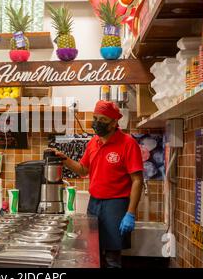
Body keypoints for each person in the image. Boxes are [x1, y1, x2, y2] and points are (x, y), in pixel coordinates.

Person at [55, 100, 144, 268]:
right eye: (95, 118)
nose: (97, 123)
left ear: (114, 122)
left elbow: (137, 180)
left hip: (116, 205)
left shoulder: (128, 143)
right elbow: (82, 170)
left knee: (112, 258)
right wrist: (64, 159)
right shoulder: (93, 143)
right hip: (94, 203)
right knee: (92, 253)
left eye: (102, 119)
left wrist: (130, 213)